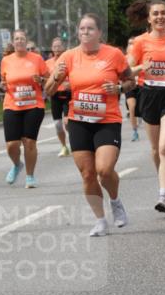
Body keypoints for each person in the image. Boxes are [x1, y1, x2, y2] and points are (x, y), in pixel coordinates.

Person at [46, 13, 135, 236]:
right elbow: (48, 91)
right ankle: (100, 221)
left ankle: (115, 201)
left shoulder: (113, 54)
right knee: (87, 174)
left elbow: (131, 81)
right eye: (82, 29)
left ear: (99, 33)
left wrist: (119, 89)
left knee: (104, 170)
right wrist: (56, 77)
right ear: (78, 32)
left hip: (107, 120)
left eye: (90, 28)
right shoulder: (68, 56)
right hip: (79, 121)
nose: (85, 32)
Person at [127, 0, 165, 212]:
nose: (160, 17)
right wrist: (142, 66)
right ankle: (163, 183)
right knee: (155, 149)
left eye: (163, 13)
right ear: (148, 19)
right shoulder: (141, 42)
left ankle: (163, 194)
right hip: (148, 95)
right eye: (156, 14)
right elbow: (127, 71)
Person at [0, 29, 47, 188]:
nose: (19, 41)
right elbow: (4, 81)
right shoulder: (6, 60)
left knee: (29, 141)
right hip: (12, 104)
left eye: (22, 38)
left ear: (26, 41)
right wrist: (3, 85)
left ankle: (30, 176)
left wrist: (41, 80)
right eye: (17, 39)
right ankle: (17, 164)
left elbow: (48, 80)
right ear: (13, 42)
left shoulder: (37, 59)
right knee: (11, 145)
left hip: (33, 104)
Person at [46, 37, 71, 156]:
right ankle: (64, 146)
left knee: (67, 122)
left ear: (63, 47)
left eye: (59, 46)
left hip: (68, 94)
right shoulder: (47, 63)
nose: (57, 49)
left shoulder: (69, 60)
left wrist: (70, 84)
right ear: (51, 48)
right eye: (54, 46)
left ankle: (74, 141)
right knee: (57, 124)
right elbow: (46, 79)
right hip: (55, 95)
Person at [124, 37, 142, 141]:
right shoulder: (124, 58)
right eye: (130, 43)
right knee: (132, 107)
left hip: (141, 85)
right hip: (130, 86)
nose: (131, 45)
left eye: (133, 43)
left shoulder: (141, 57)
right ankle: (135, 131)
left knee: (140, 108)